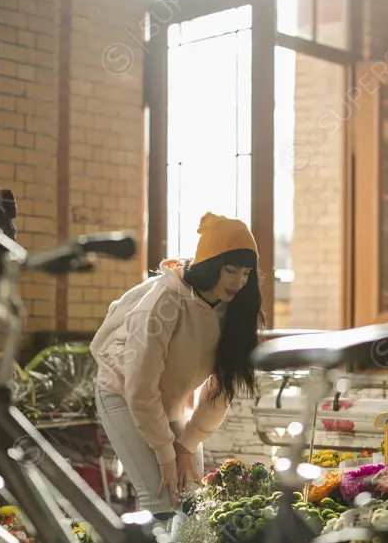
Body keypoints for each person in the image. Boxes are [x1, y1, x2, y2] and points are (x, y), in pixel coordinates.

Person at [91, 212, 263, 518]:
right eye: (231, 270)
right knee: (161, 498)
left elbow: (221, 389)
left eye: (247, 272)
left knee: (192, 501)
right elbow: (140, 387)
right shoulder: (165, 302)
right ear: (211, 265)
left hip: (170, 403)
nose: (239, 282)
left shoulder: (233, 311)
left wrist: (185, 446)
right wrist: (165, 453)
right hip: (124, 395)